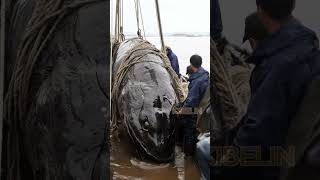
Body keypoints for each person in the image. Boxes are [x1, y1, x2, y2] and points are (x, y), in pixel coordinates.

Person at [216, 0, 320, 180]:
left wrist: (223, 169)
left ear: (260, 10)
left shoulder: (278, 67)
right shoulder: (308, 46)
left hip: (284, 165)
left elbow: (257, 133)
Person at [183, 55, 209, 155]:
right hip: (203, 107)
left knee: (189, 130)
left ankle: (188, 155)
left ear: (191, 64)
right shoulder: (204, 74)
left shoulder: (196, 81)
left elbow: (191, 102)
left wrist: (182, 111)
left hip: (196, 109)